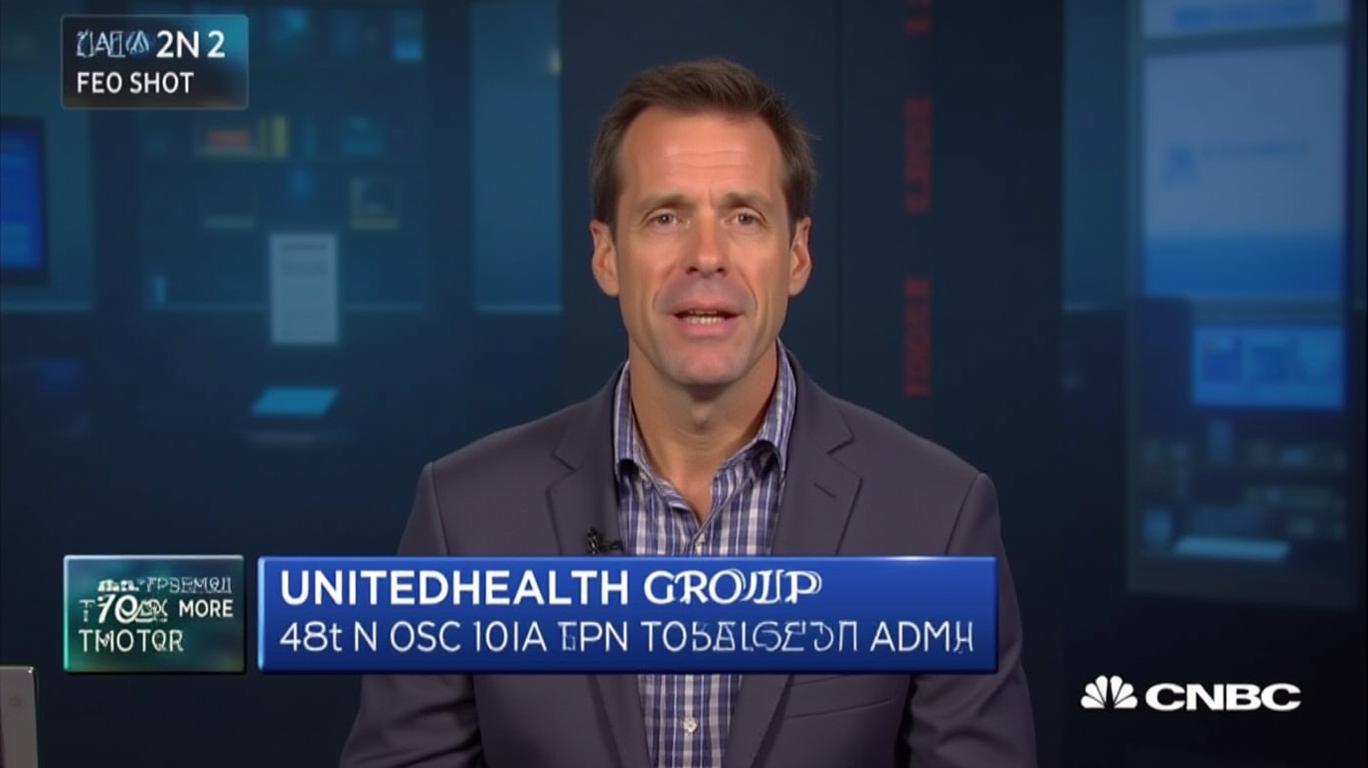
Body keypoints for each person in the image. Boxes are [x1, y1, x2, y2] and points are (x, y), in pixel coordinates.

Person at [341, 58, 1035, 768]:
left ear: (796, 255)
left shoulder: (937, 520)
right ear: (607, 256)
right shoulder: (464, 520)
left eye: (744, 217)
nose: (706, 256)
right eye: (665, 217)